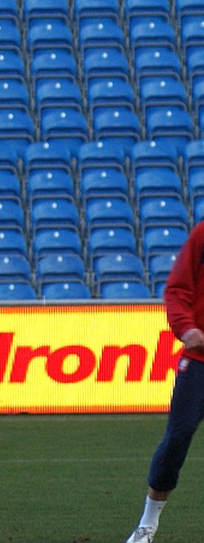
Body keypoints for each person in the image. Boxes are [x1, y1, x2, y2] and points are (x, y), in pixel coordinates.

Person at [124, 219, 204, 543]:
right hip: (200, 361)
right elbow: (176, 290)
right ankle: (147, 524)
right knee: (178, 437)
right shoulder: (203, 234)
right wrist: (186, 328)